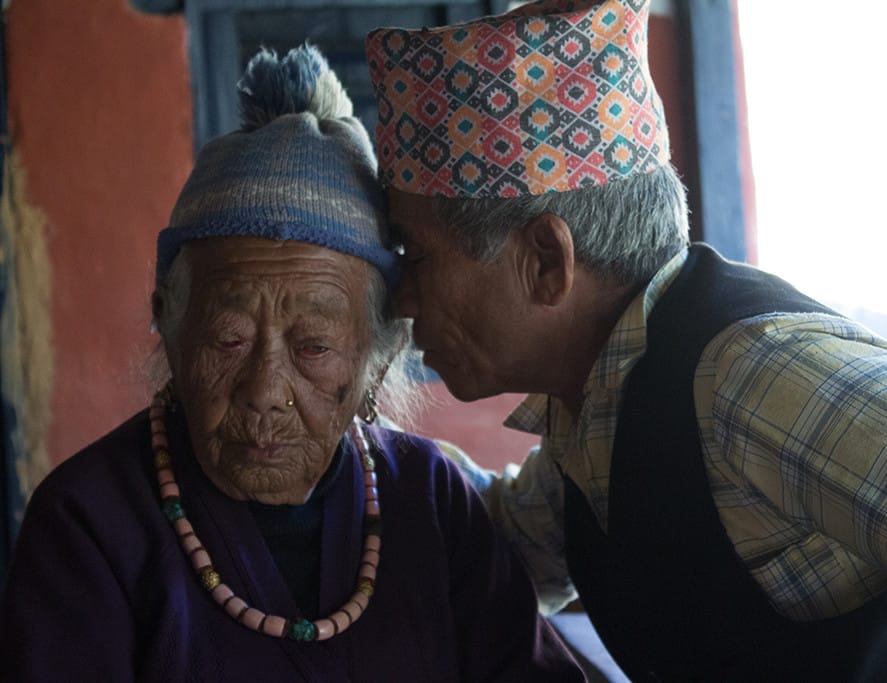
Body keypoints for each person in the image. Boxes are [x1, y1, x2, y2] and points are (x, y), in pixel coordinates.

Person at [365, 0, 887, 680]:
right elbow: (502, 539)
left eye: (416, 256)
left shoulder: (749, 377)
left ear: (546, 261)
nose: (404, 297)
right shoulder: (594, 413)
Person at [0, 45, 583, 682]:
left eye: (313, 348)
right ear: (166, 320)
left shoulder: (430, 497)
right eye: (228, 339)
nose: (265, 390)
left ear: (380, 356)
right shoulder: (88, 522)